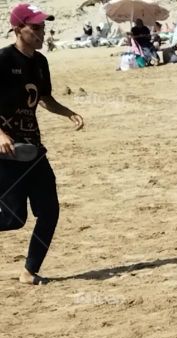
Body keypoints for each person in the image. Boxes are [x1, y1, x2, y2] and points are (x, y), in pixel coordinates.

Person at [0, 3, 84, 286]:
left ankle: (29, 271)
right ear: (17, 29)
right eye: (34, 27)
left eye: (43, 27)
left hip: (33, 149)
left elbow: (45, 99)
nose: (41, 33)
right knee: (14, 219)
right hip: (5, 153)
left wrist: (68, 113)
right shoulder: (2, 60)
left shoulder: (40, 62)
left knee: (50, 211)